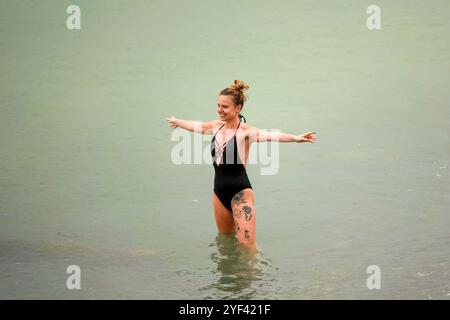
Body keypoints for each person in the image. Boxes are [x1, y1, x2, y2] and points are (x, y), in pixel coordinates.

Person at [166, 80, 317, 251]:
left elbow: (271, 135)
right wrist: (177, 121)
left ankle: (253, 275)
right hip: (219, 192)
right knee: (225, 241)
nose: (219, 110)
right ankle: (228, 277)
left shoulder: (245, 132)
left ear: (238, 108)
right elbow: (195, 126)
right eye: (218, 105)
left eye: (224, 106)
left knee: (248, 247)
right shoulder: (214, 126)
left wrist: (296, 138)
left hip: (240, 193)